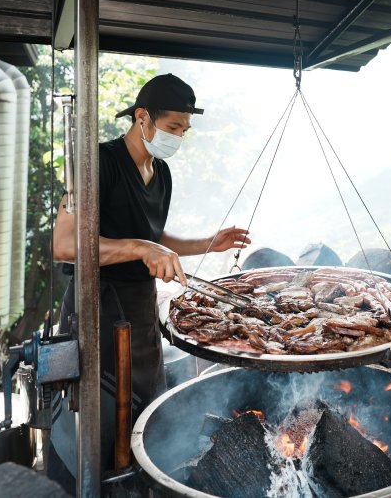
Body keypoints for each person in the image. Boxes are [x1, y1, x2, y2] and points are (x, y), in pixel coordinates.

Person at [46, 73, 250, 490]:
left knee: (143, 420)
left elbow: (153, 237)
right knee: (94, 429)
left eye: (184, 130)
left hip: (139, 313)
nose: (179, 137)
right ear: (143, 118)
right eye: (173, 127)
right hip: (96, 313)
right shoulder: (97, 163)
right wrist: (141, 249)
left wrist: (209, 244)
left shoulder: (161, 173)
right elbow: (65, 245)